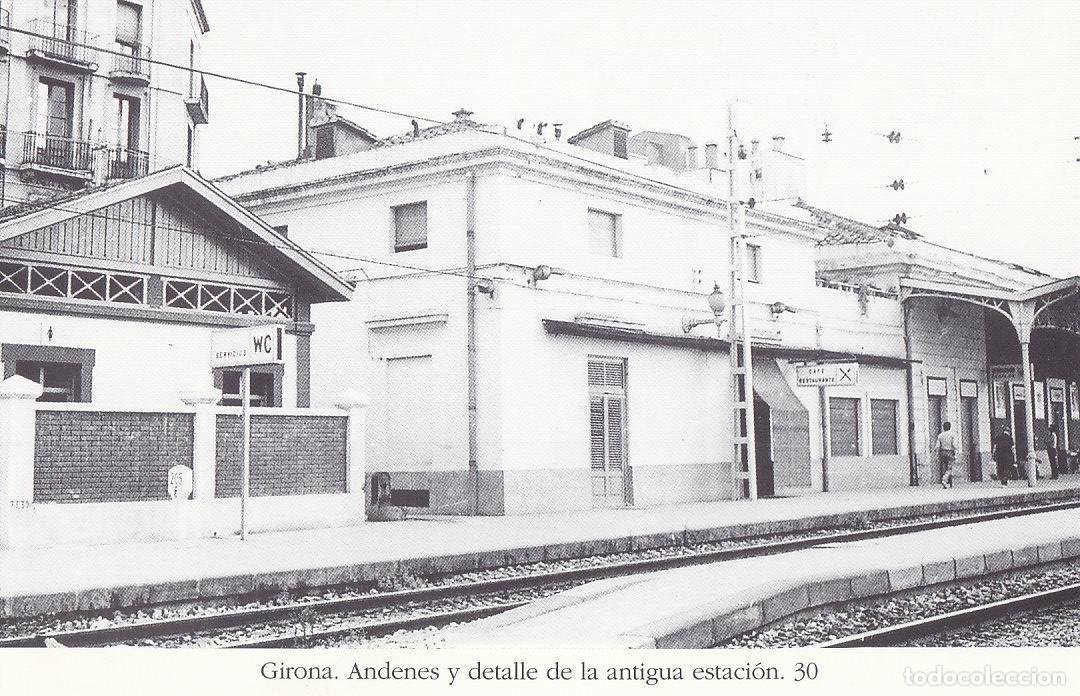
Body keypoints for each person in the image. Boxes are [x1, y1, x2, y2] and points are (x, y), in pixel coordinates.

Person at [936, 421, 958, 488]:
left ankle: (947, 482)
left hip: (942, 452)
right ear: (950, 427)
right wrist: (956, 450)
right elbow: (954, 444)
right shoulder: (952, 435)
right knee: (949, 468)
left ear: (943, 427)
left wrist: (937, 453)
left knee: (945, 467)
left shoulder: (940, 435)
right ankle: (944, 480)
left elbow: (937, 446)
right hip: (950, 452)